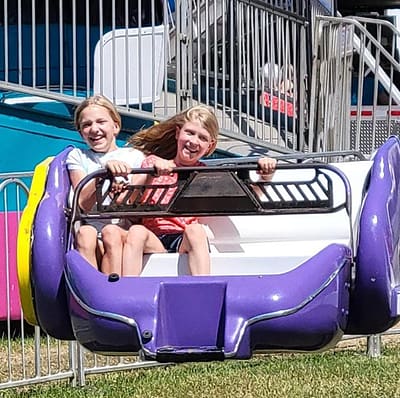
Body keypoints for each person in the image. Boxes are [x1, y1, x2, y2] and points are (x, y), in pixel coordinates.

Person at [119, 104, 276, 276]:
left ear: (210, 146)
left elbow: (247, 199)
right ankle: (128, 294)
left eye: (202, 138)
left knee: (196, 230)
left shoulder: (206, 175)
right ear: (178, 133)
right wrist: (152, 174)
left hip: (183, 239)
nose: (193, 141)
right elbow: (131, 201)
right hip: (153, 237)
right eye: (190, 133)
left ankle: (203, 290)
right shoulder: (153, 162)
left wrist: (264, 177)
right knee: (136, 232)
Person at [66, 94, 145, 274]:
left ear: (115, 126)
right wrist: (102, 175)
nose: (94, 129)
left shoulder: (134, 156)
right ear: (80, 132)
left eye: (101, 122)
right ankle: (90, 294)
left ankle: (112, 289)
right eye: (87, 125)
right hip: (94, 236)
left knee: (111, 231)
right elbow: (82, 204)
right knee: (85, 234)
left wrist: (120, 190)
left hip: (123, 234)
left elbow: (134, 207)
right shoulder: (77, 156)